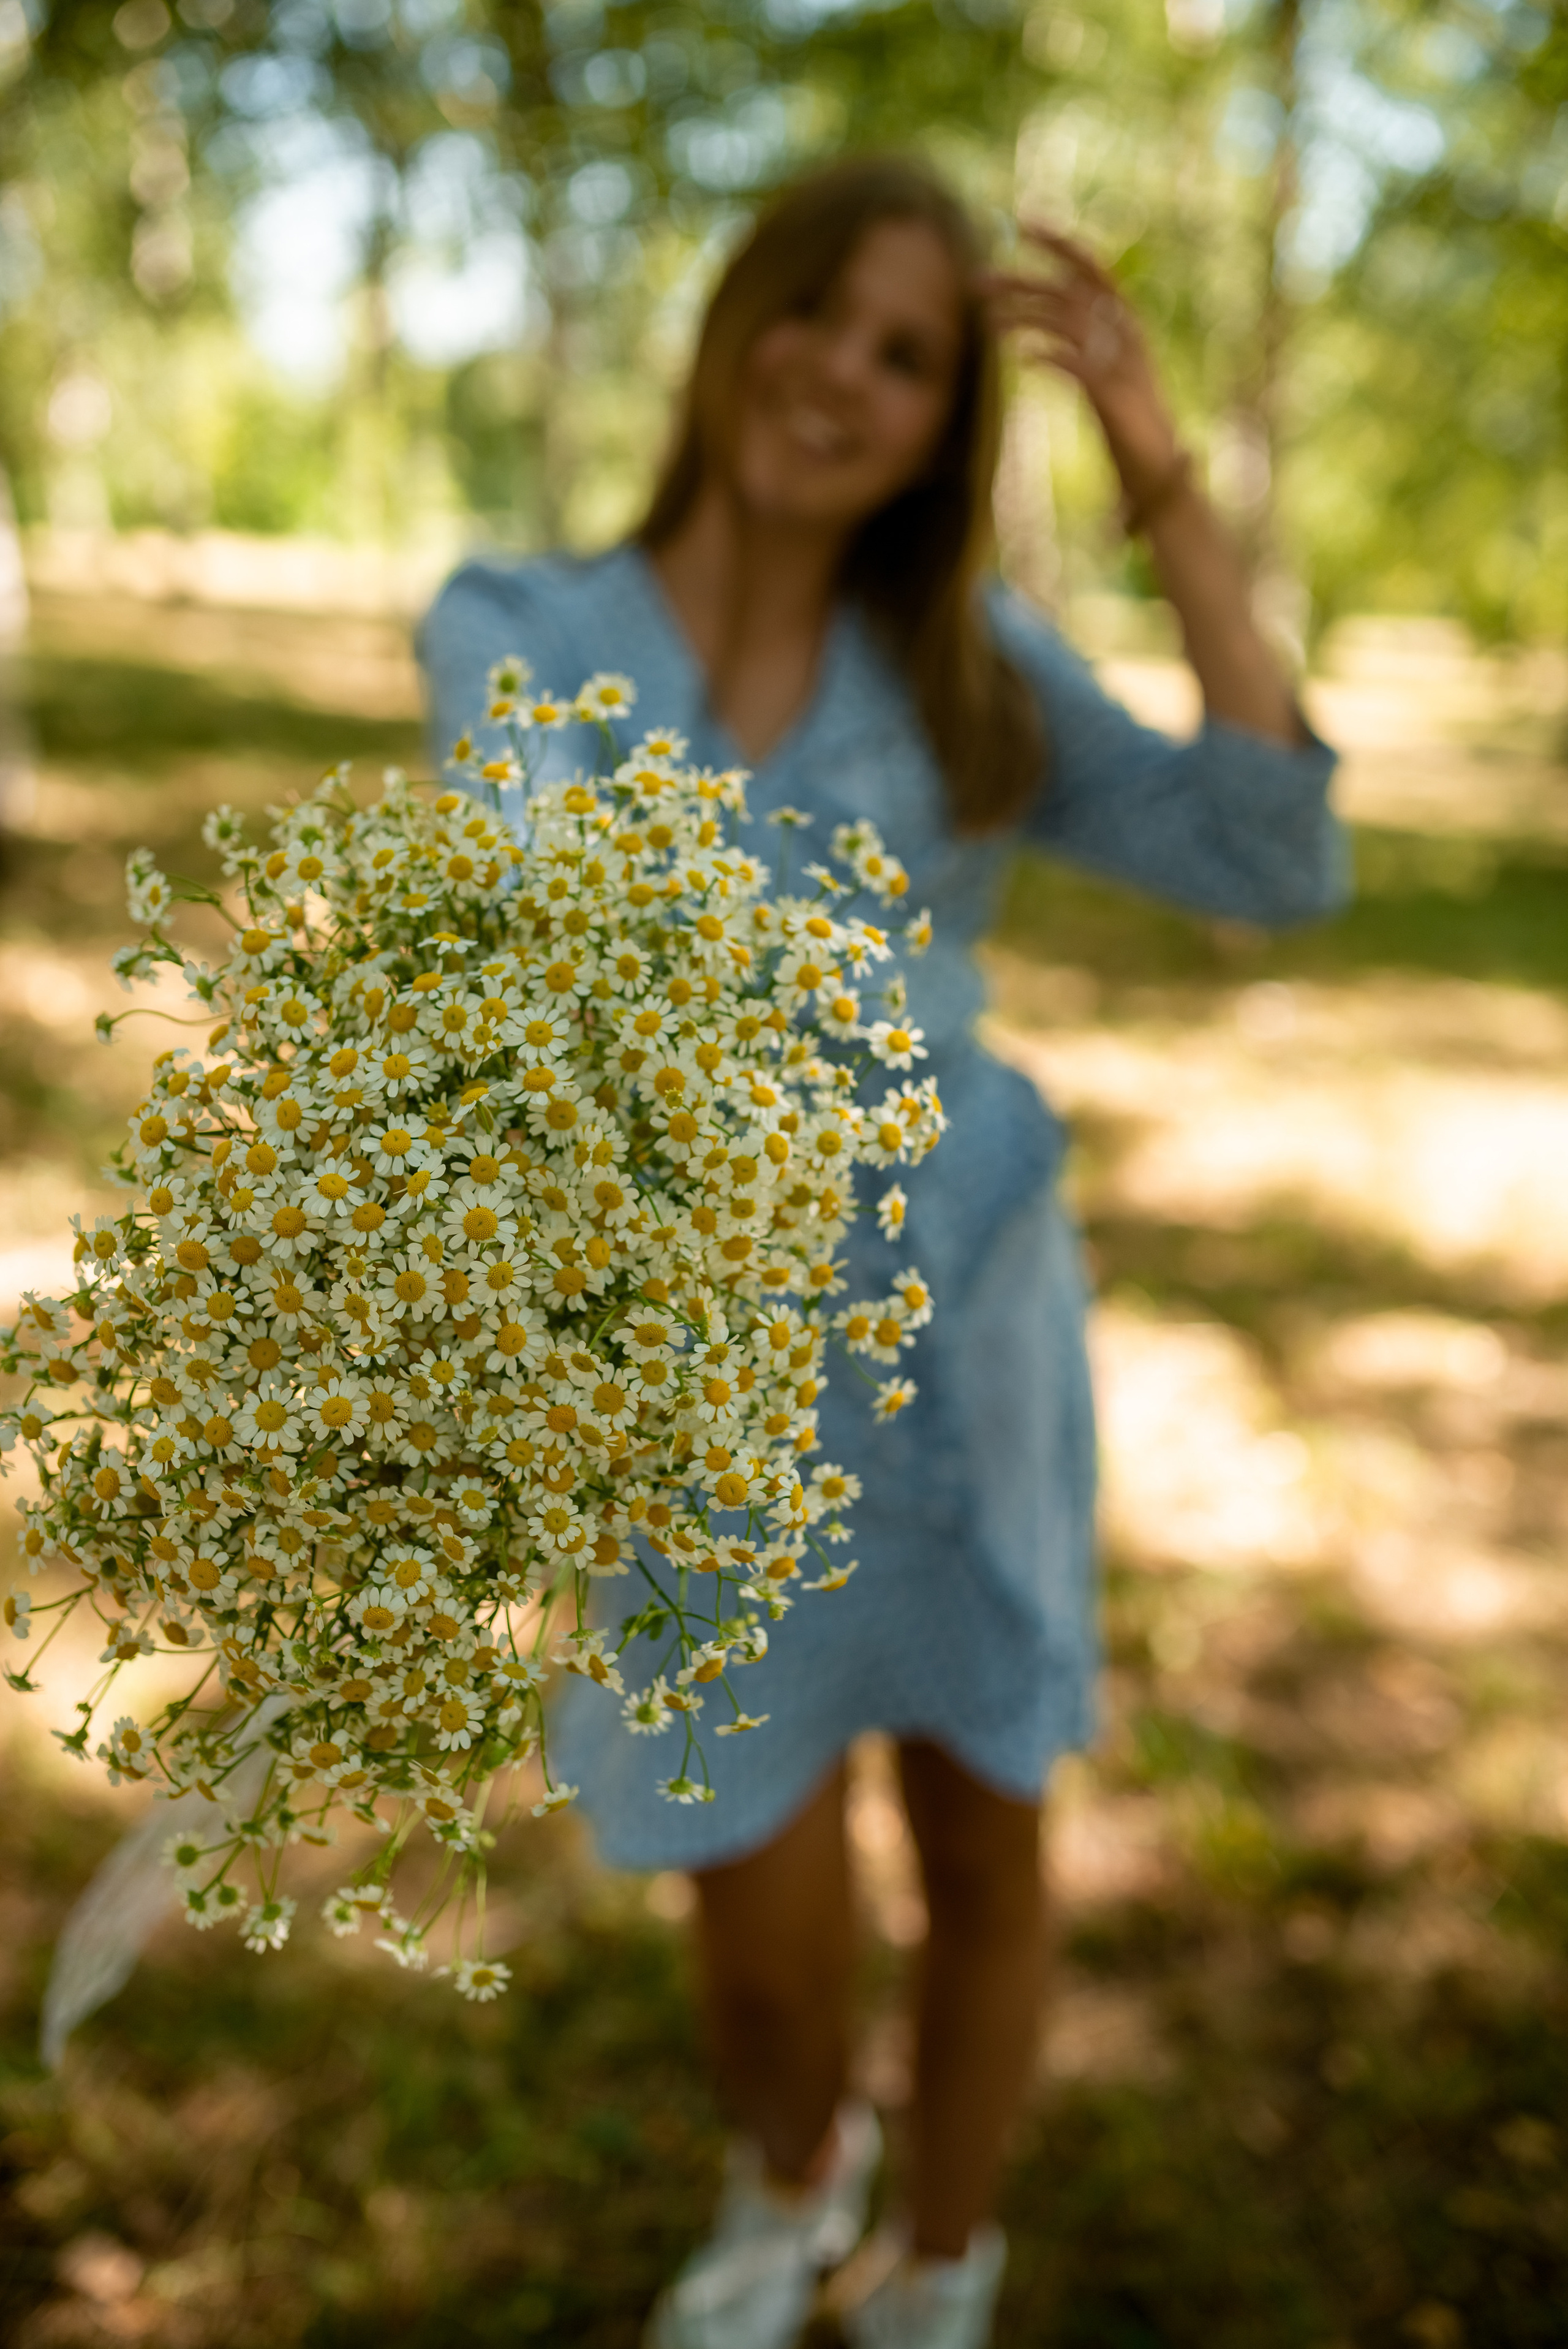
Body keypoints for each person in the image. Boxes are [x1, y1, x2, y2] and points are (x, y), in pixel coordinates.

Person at [419, 154, 1343, 2349]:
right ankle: (790, 2178)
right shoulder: (521, 634)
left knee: (983, 1821)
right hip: (687, 1359)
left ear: (947, 424)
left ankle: (939, 2264)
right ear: (738, 318)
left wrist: (1162, 486)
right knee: (752, 1885)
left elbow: (1269, 849)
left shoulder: (965, 665)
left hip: (960, 1336)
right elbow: (524, 941)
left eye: (911, 352)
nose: (844, 370)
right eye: (818, 311)